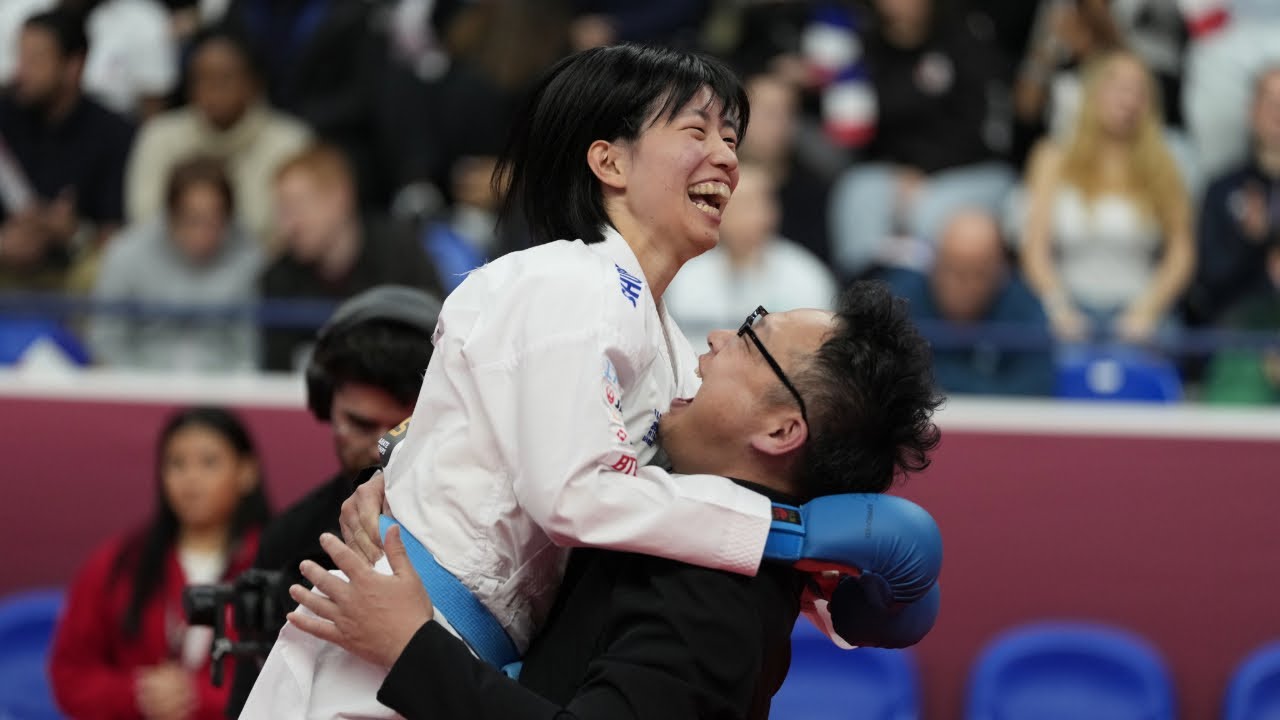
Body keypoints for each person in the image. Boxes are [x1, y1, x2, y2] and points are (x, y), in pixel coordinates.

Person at [240, 43, 939, 717]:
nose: (727, 155)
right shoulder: (571, 281)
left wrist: (828, 586)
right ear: (608, 161)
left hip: (446, 649)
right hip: (379, 645)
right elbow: (572, 497)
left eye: (731, 136)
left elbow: (667, 500)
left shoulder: (659, 341)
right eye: (697, 129)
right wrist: (790, 535)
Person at [271, 283, 943, 719]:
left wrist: (409, 645)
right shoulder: (663, 511)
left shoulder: (717, 600)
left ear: (780, 430)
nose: (715, 341)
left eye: (751, 335)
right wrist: (397, 474)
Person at [224, 284, 440, 716]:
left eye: (400, 427)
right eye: (360, 424)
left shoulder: (477, 524)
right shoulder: (289, 537)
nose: (380, 445)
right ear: (326, 406)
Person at [48, 407, 270, 719]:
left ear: (247, 472)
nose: (190, 479)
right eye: (176, 464)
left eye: (209, 462)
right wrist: (136, 694)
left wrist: (202, 698)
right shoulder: (119, 563)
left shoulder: (277, 564)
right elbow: (70, 674)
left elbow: (298, 684)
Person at [827, 0, 1015, 280]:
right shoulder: (864, 45)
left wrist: (926, 171)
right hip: (895, 171)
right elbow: (861, 128)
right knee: (858, 193)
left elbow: (984, 129)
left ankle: (924, 310)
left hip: (971, 170)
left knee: (928, 211)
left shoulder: (966, 37)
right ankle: (864, 307)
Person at [1019, 51, 1195, 345]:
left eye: (1139, 91)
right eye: (1117, 87)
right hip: (1065, 304)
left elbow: (1181, 253)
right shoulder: (1051, 157)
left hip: (1139, 306)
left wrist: (1146, 311)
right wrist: (1059, 309)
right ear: (1092, 92)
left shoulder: (1166, 163)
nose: (1128, 100)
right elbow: (1034, 249)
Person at [125, 25, 311, 250]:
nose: (212, 90)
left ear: (254, 83)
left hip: (263, 272)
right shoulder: (159, 137)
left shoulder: (291, 143)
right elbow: (145, 221)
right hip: (171, 270)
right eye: (201, 79)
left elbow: (294, 230)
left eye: (225, 78)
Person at [259, 144, 444, 371]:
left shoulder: (401, 253)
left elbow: (436, 339)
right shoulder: (278, 276)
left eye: (298, 206)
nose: (289, 225)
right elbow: (275, 373)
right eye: (282, 211)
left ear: (340, 197)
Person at [0, 7, 134, 291]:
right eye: (19, 57)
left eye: (35, 59)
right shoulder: (4, 116)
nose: (21, 71)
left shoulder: (114, 133)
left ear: (73, 66)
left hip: (73, 270)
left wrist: (71, 232)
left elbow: (120, 235)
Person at [88, 155, 262, 372]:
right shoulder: (125, 255)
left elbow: (250, 350)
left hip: (223, 390)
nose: (203, 233)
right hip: (140, 387)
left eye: (215, 221)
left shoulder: (250, 260)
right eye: (192, 220)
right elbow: (107, 344)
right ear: (170, 215)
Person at [885, 209, 1055, 396]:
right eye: (952, 269)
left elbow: (1035, 388)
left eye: (978, 273)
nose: (964, 285)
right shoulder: (899, 302)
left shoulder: (1023, 308)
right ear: (934, 264)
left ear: (1000, 272)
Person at [666, 160, 837, 343]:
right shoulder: (682, 275)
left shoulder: (806, 277)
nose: (744, 215)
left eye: (753, 203)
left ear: (772, 212)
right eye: (734, 204)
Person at [1184, 65, 1280, 327]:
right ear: (1252, 110)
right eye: (1270, 102)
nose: (1277, 114)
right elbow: (1207, 279)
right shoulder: (1223, 189)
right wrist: (1253, 242)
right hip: (1237, 332)